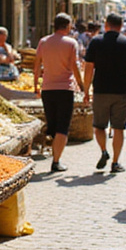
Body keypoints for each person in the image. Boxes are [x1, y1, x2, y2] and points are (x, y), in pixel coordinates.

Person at [82, 12, 126, 174]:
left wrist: (86, 90)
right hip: (121, 91)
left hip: (100, 90)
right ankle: (115, 162)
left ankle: (103, 151)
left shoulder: (95, 42)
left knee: (99, 126)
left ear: (106, 25)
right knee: (118, 128)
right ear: (121, 26)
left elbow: (88, 69)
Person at [34, 12, 84, 173]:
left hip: (47, 89)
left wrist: (36, 85)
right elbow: (74, 66)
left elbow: (37, 66)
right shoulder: (71, 43)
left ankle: (53, 152)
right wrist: (82, 85)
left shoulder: (43, 42)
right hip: (65, 89)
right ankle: (56, 161)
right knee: (63, 126)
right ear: (67, 26)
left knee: (53, 124)